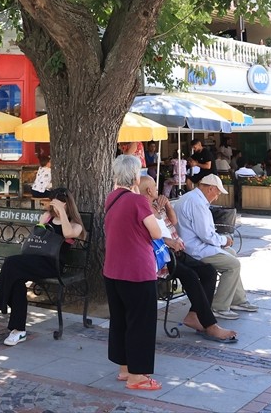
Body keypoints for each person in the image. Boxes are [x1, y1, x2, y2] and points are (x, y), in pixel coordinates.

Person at [0, 188, 85, 345]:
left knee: (10, 263)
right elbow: (34, 239)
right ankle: (18, 331)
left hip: (51, 265)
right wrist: (44, 222)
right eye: (53, 203)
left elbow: (67, 234)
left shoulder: (75, 224)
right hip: (33, 260)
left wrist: (63, 213)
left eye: (59, 204)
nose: (54, 207)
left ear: (67, 204)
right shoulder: (47, 217)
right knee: (16, 282)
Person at [138, 176, 236, 343]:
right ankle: (210, 325)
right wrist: (169, 241)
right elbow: (148, 237)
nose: (158, 189)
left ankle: (194, 315)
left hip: (177, 251)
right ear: (148, 190)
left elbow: (173, 222)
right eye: (155, 187)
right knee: (190, 276)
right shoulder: (142, 209)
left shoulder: (156, 206)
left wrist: (167, 205)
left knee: (209, 272)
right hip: (163, 255)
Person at [103, 154, 163, 391]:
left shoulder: (111, 198)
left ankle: (125, 368)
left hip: (113, 268)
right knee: (141, 322)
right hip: (137, 270)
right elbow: (156, 233)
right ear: (135, 175)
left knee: (120, 320)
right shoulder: (137, 201)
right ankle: (137, 375)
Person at [173, 173, 257, 319]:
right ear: (210, 189)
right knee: (233, 265)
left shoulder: (193, 198)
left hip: (192, 245)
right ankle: (219, 306)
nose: (217, 197)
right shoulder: (197, 203)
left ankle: (238, 300)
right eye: (217, 192)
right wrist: (224, 240)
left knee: (231, 254)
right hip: (195, 249)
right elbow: (206, 235)